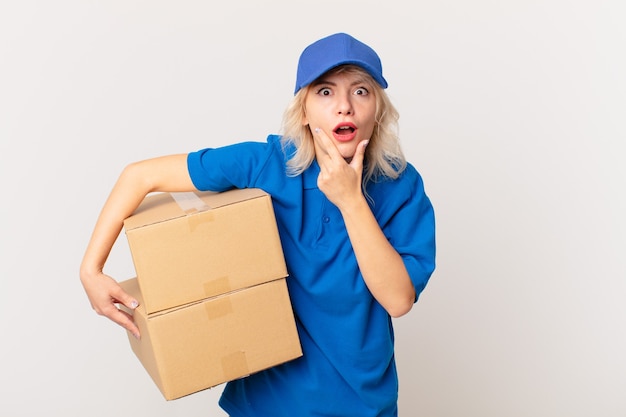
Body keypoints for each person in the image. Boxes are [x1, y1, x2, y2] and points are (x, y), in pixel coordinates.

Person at [80, 32, 436, 417]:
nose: (344, 107)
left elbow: (398, 299)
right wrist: (90, 270)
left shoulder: (401, 185)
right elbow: (139, 177)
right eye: (325, 92)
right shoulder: (266, 163)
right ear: (304, 110)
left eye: (361, 91)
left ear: (378, 110)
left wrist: (350, 199)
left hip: (361, 403)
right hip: (268, 402)